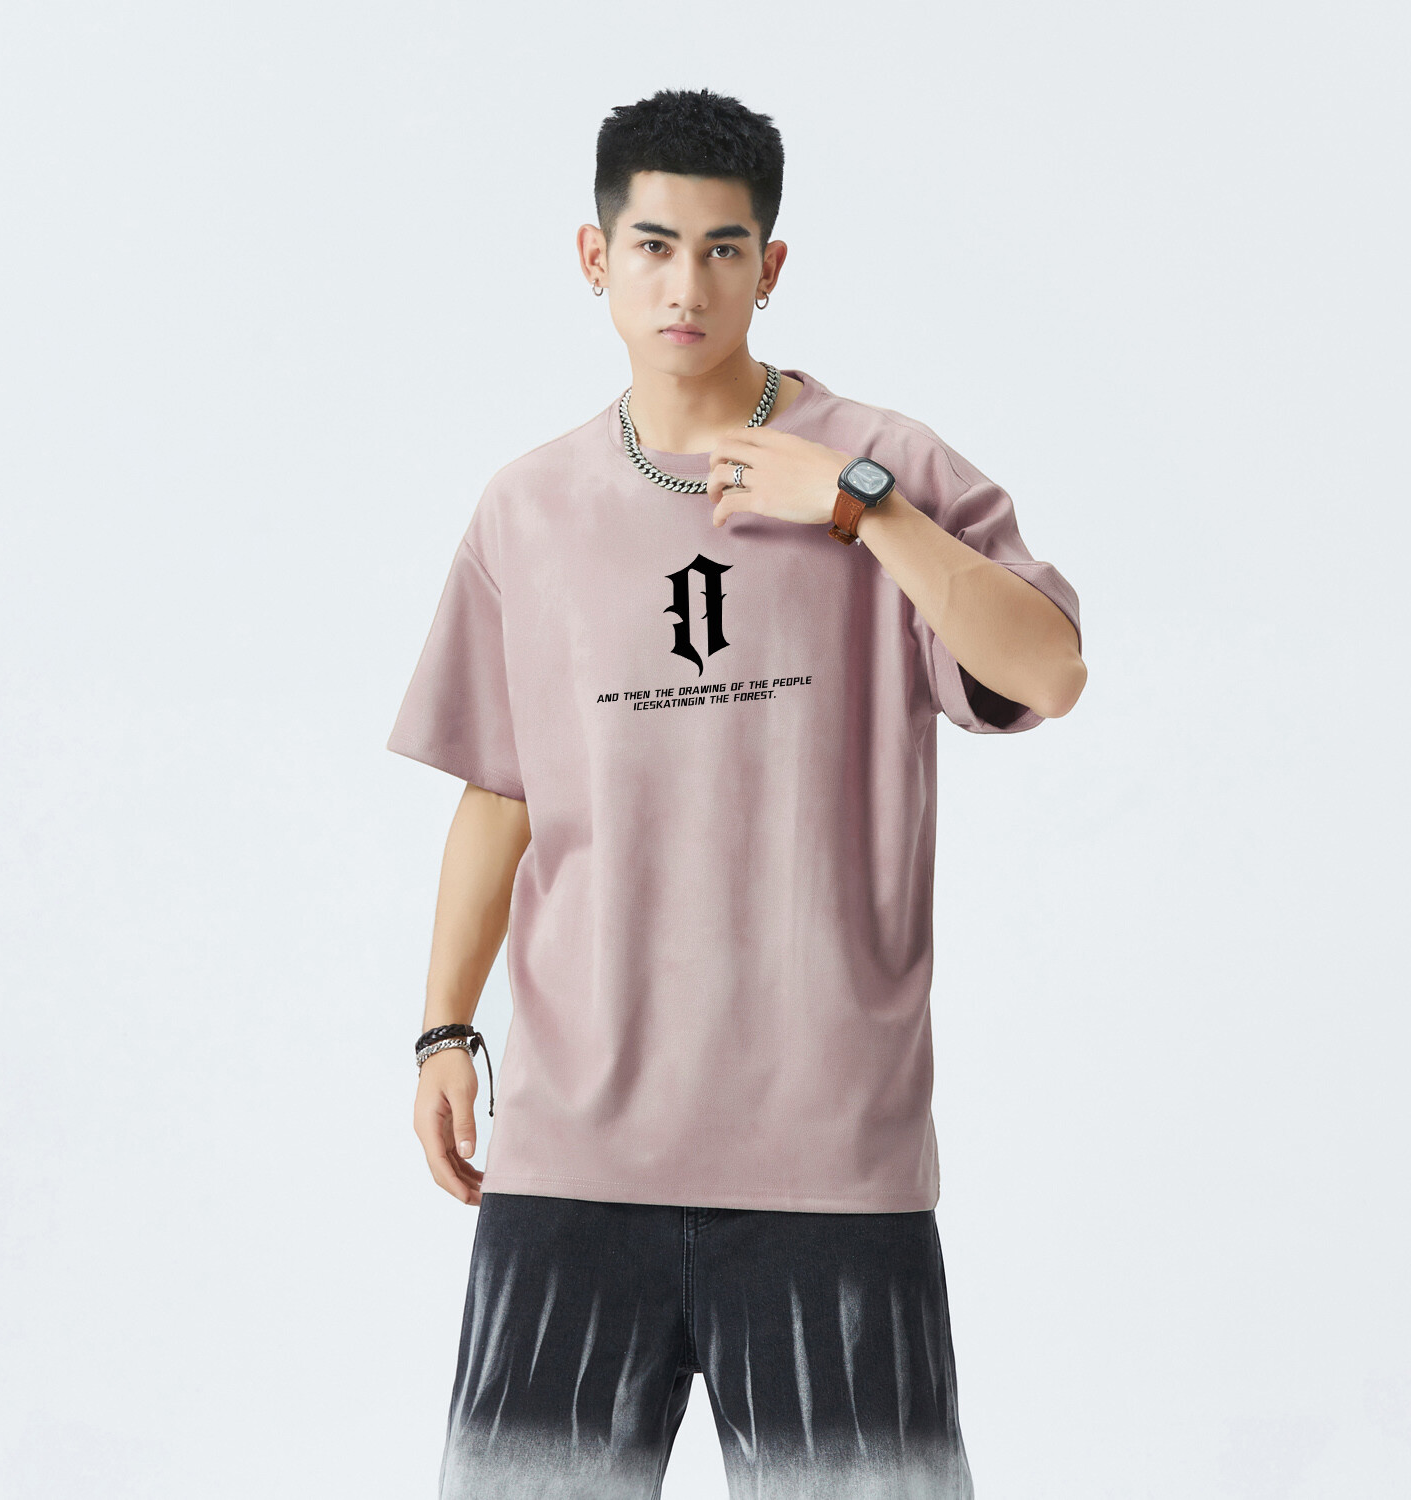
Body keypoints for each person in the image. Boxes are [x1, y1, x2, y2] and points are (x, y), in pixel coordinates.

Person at [387, 86, 1085, 1500]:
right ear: (596, 258)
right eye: (653, 246)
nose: (685, 286)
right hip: (575, 1156)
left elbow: (1050, 672)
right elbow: (502, 794)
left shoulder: (884, 461)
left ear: (769, 267)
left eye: (722, 250)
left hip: (830, 1162)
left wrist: (866, 508)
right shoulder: (527, 506)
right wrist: (444, 1029)